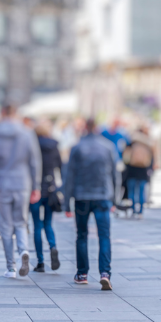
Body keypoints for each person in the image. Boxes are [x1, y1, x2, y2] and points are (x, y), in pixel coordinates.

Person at [0, 105, 41, 279]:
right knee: (21, 222)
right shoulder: (26, 132)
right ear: (16, 113)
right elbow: (34, 161)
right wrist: (35, 185)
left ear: (2, 113)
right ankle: (23, 250)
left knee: (5, 226)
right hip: (22, 181)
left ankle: (11, 267)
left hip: (2, 181)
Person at [63, 118, 119, 290]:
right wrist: (115, 199)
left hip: (82, 196)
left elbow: (69, 176)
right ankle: (105, 273)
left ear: (85, 127)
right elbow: (115, 174)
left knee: (82, 235)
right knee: (104, 235)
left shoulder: (77, 147)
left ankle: (82, 273)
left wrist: (67, 202)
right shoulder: (108, 146)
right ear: (97, 128)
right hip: (102, 196)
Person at [31, 122, 62, 272]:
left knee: (37, 225)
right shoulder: (54, 146)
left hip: (35, 190)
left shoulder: (33, 146)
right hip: (50, 189)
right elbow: (60, 167)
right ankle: (53, 246)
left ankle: (40, 262)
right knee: (48, 223)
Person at [123, 126, 155, 219]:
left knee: (132, 191)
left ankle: (133, 210)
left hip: (132, 169)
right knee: (141, 191)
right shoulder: (148, 143)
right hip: (143, 170)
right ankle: (140, 211)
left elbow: (125, 155)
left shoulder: (132, 141)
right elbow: (152, 158)